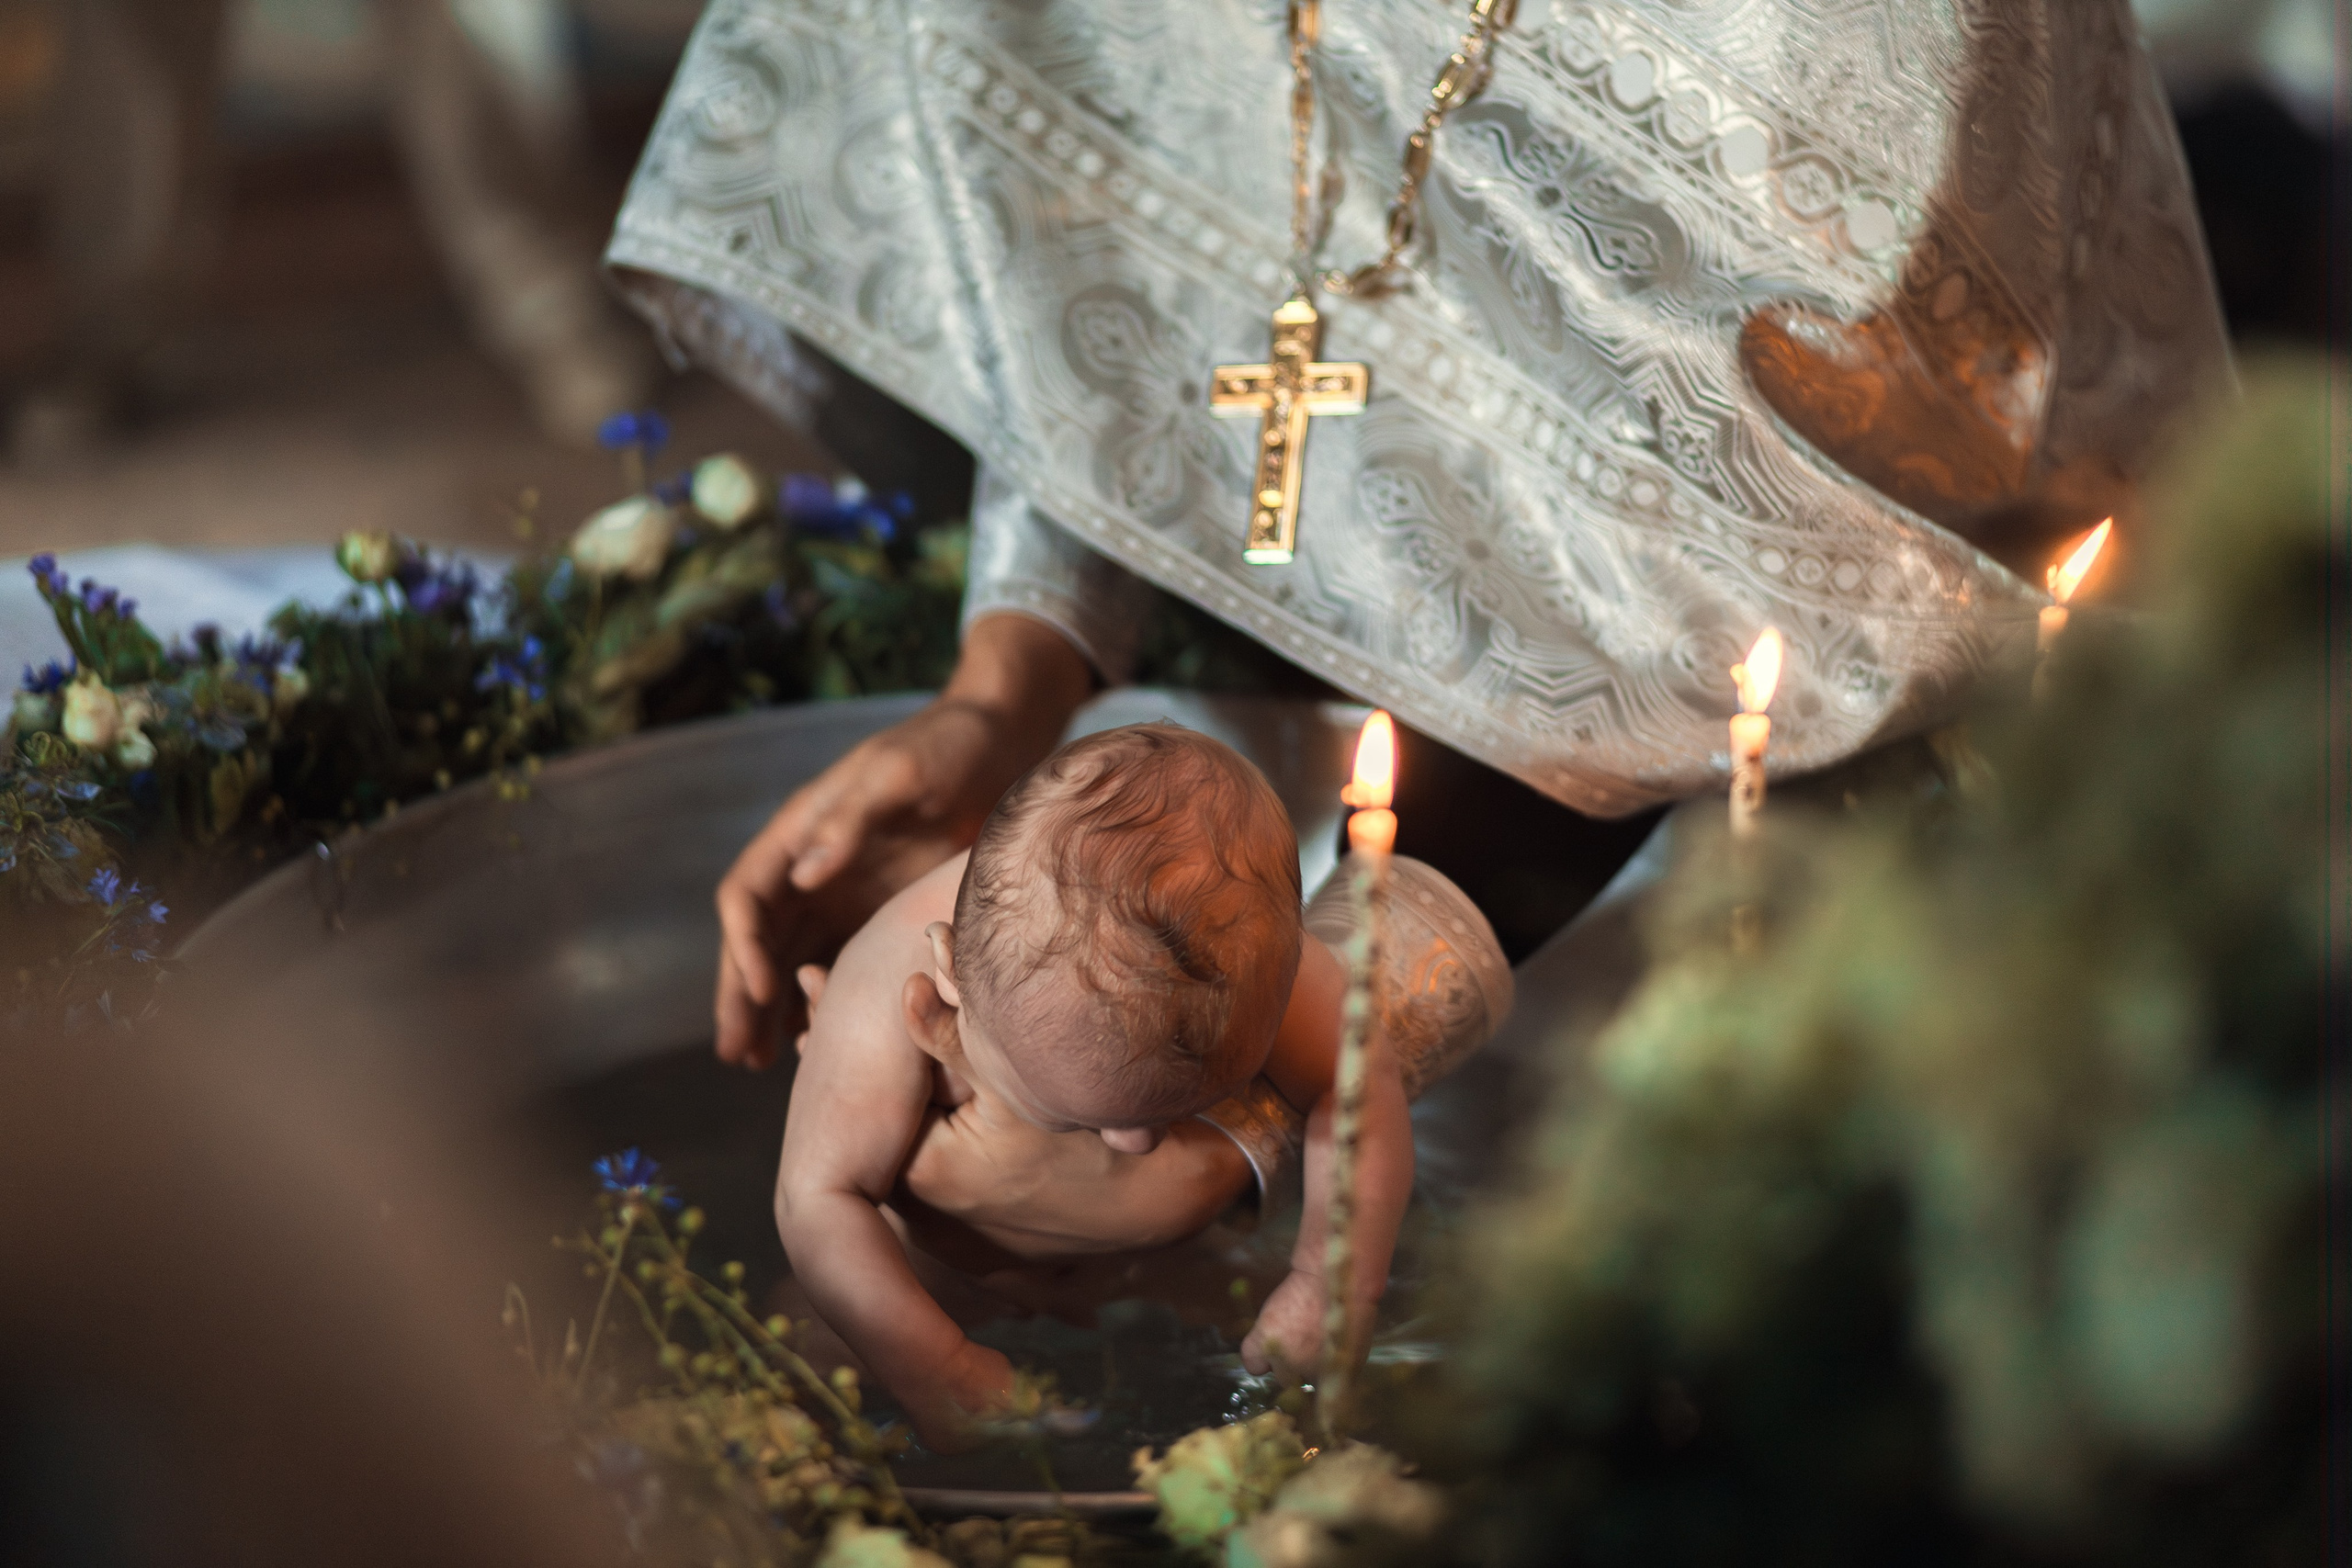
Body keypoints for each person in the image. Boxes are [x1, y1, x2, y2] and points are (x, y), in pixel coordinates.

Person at [605, 6, 2228, 1066]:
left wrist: (1307, 1039)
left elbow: (1776, 545)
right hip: (1319, 771)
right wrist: (1013, 676)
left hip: (1852, 821)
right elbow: (1173, 254)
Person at [777, 723, 1510, 1447]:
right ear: (950, 975)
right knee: (812, 1364)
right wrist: (936, 1365)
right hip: (918, 1258)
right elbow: (817, 1197)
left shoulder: (1273, 964)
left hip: (1153, 1256)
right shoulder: (882, 981)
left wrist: (1330, 1279)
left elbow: (1359, 1089)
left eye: (1181, 1111)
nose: (1137, 1145)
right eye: (1084, 1119)